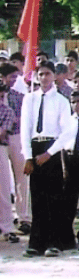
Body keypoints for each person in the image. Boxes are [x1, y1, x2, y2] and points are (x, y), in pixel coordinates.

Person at [20, 61, 72, 257]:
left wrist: (49, 153)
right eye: (40, 74)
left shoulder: (61, 101)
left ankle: (54, 242)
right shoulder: (30, 99)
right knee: (38, 197)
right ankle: (36, 242)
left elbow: (67, 132)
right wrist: (28, 156)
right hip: (35, 147)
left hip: (52, 148)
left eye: (48, 74)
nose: (44, 78)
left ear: (54, 76)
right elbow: (25, 128)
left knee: (54, 197)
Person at [40, 90, 79, 250]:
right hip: (69, 158)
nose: (75, 105)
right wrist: (64, 167)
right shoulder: (67, 122)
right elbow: (62, 145)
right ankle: (67, 238)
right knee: (68, 202)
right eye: (73, 102)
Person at [0, 64, 28, 236]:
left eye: (16, 77)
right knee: (3, 183)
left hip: (16, 137)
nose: (14, 80)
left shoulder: (19, 97)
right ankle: (5, 224)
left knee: (22, 179)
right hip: (2, 142)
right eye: (11, 77)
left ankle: (24, 217)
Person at [0, 83, 18, 242]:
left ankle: (7, 227)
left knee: (3, 191)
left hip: (0, 148)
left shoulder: (7, 111)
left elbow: (2, 133)